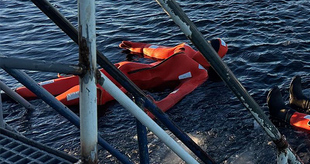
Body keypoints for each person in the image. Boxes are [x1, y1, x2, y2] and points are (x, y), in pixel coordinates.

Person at [14, 39, 228, 112]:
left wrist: (137, 48)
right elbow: (179, 92)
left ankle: (14, 95)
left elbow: (154, 50)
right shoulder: (194, 64)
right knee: (53, 94)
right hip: (123, 80)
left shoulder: (187, 54)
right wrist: (160, 106)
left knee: (61, 89)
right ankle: (15, 95)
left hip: (123, 73)